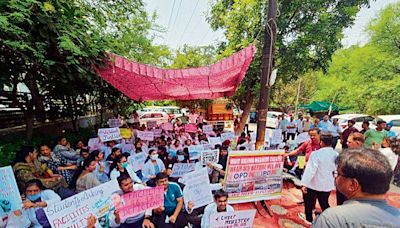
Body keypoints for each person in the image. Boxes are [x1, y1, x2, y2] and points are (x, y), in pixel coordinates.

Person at [312, 148, 400, 227]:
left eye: (338, 174)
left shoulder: (332, 219)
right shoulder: (397, 216)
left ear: (353, 185)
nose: (335, 177)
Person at [299, 134, 338, 224]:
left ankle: (309, 219)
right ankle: (330, 220)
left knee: (308, 201)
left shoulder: (316, 154)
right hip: (327, 184)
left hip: (313, 183)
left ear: (321, 142)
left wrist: (304, 184)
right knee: (324, 202)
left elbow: (311, 170)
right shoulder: (336, 154)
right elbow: (336, 169)